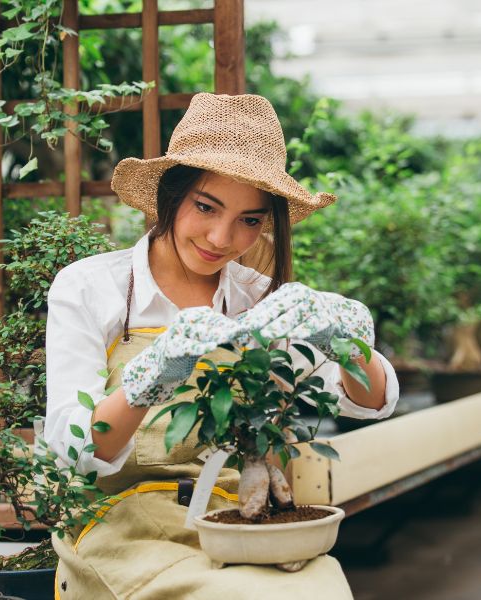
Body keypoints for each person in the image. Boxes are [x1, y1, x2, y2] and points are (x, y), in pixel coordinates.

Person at [45, 93, 400, 599]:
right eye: (205, 207)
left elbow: (370, 402)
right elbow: (73, 449)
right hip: (124, 528)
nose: (221, 237)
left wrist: (348, 345)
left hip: (241, 518)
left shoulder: (259, 298)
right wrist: (153, 376)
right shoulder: (91, 287)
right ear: (171, 195)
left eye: (250, 220)